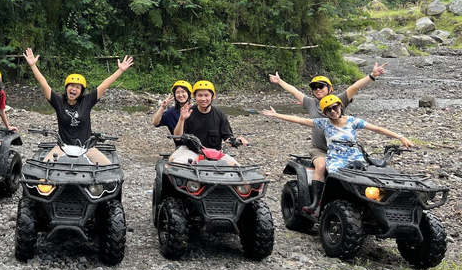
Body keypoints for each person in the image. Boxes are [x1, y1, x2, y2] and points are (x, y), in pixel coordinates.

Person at [261, 95, 415, 215]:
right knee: (335, 176)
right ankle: (317, 202)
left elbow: (378, 129)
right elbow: (300, 120)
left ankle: (374, 203)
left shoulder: (353, 121)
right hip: (336, 159)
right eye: (328, 110)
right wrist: (277, 115)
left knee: (369, 177)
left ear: (340, 106)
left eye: (335, 107)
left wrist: (400, 137)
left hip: (355, 157)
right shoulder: (324, 123)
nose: (333, 111)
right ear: (325, 112)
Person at [268, 62, 387, 210]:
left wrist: (372, 75)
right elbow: (294, 92)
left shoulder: (338, 101)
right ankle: (316, 204)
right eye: (314, 87)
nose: (317, 90)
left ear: (329, 88)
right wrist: (280, 82)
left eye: (321, 86)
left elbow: (355, 87)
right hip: (320, 149)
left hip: (341, 149)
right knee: (322, 166)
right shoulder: (311, 103)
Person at [22, 47, 134, 165]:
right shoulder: (59, 102)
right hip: (62, 147)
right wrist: (33, 66)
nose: (74, 89)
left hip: (86, 148)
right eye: (71, 86)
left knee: (111, 172)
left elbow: (104, 85)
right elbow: (44, 85)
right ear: (66, 88)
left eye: (77, 87)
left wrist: (120, 70)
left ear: (81, 91)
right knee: (43, 173)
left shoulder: (87, 101)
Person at [170, 80, 248, 166]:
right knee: (176, 164)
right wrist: (182, 119)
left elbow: (227, 137)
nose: (203, 99)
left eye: (206, 95)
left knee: (238, 168)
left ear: (212, 96)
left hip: (214, 153)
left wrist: (237, 140)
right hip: (191, 151)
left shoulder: (220, 115)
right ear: (195, 96)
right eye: (200, 95)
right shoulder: (189, 112)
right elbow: (178, 137)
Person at [152, 81, 192, 146]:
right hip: (181, 147)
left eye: (183, 92)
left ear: (189, 94)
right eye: (177, 92)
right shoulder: (171, 112)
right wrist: (163, 107)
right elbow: (155, 122)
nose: (180, 95)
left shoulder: (196, 109)